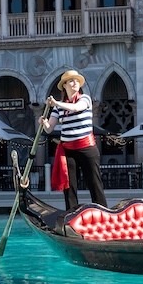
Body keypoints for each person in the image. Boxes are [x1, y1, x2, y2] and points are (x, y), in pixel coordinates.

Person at [43, 69, 107, 211]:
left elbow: (77, 108)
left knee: (94, 183)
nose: (74, 83)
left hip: (87, 148)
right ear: (64, 86)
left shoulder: (85, 99)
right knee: (69, 186)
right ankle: (71, 215)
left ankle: (103, 214)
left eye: (77, 81)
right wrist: (44, 122)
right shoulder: (58, 108)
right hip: (68, 150)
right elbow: (49, 129)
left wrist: (57, 103)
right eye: (71, 81)